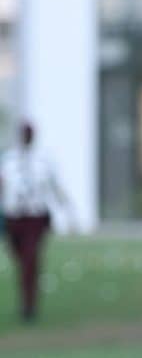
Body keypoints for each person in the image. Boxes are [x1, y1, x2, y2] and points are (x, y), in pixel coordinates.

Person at [1, 122, 69, 322]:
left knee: (30, 259)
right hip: (13, 216)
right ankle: (27, 291)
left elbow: (54, 186)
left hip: (34, 216)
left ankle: (29, 305)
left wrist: (67, 211)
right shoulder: (8, 160)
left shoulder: (43, 161)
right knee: (20, 258)